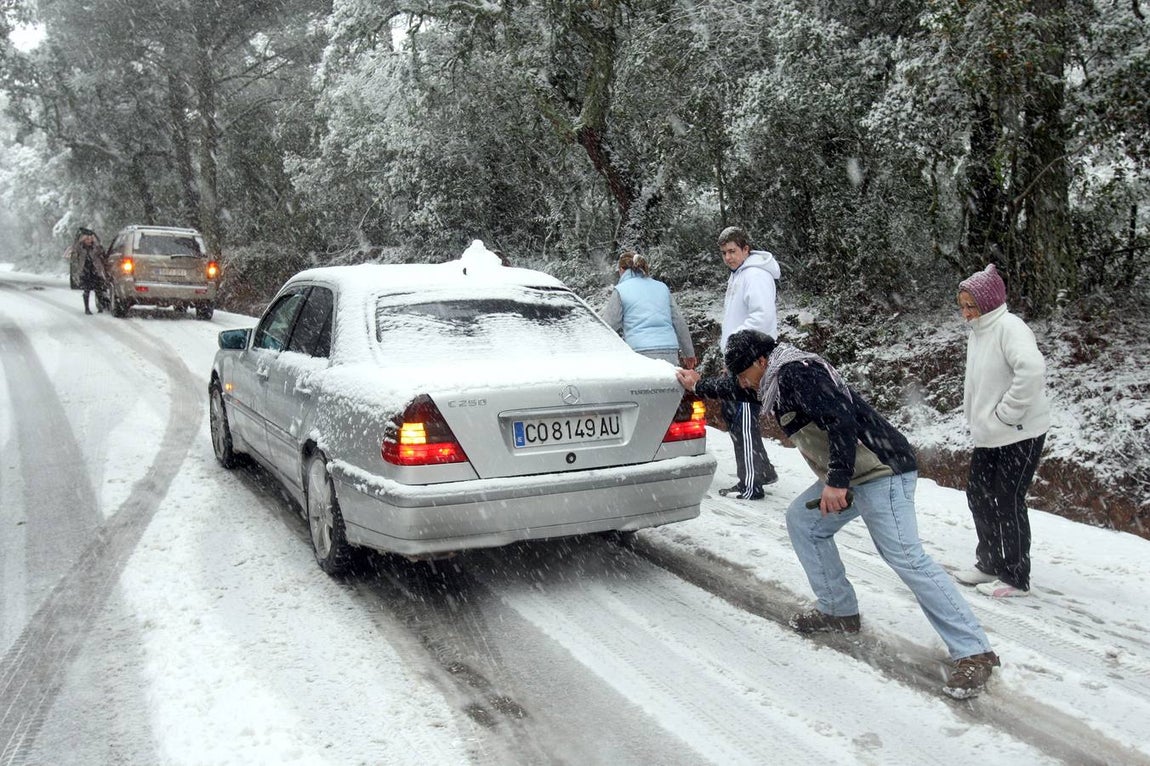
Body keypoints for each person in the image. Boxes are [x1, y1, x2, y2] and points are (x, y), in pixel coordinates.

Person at [676, 330, 1001, 698]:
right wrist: (700, 383)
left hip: (881, 470)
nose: (741, 382)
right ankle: (838, 612)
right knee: (804, 522)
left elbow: (842, 420)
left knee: (906, 557)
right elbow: (740, 389)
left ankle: (975, 652)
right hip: (852, 473)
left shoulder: (798, 374)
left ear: (761, 361)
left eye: (742, 373)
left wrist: (837, 483)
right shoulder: (772, 379)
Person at [953, 264, 1050, 598]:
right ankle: (990, 562)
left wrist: (1007, 413)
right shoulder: (980, 331)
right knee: (978, 494)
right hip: (990, 434)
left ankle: (1015, 575)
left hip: (1020, 433)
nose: (965, 313)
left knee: (1007, 500)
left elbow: (1032, 371)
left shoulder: (1010, 327)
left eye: (971, 306)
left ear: (988, 302)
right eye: (962, 306)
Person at [714, 226, 781, 499]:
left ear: (746, 249)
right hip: (740, 357)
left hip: (750, 359)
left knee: (741, 417)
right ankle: (761, 470)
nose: (728, 257)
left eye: (733, 251)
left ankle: (751, 485)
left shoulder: (754, 275)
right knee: (734, 415)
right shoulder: (739, 275)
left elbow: (761, 317)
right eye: (724, 253)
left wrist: (736, 352)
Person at [600, 251, 696, 368]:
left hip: (640, 351)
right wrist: (689, 353)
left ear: (621, 270)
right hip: (669, 350)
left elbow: (607, 326)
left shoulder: (621, 290)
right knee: (668, 385)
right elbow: (679, 322)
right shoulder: (662, 287)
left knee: (645, 386)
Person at [71, 227, 108, 315]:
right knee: (86, 290)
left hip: (95, 271)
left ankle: (100, 307)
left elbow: (101, 251)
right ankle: (87, 308)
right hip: (85, 271)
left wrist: (96, 242)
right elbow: (74, 252)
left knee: (98, 290)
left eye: (90, 238)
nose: (88, 240)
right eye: (86, 238)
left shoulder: (95, 247)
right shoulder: (80, 247)